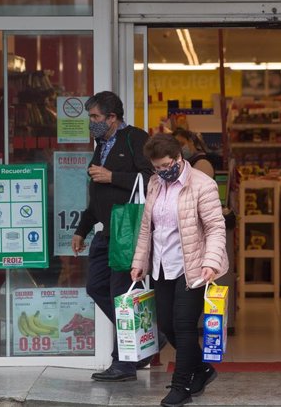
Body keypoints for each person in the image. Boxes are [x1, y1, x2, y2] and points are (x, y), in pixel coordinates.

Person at [130, 133, 228, 407]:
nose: (161, 171)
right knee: (167, 325)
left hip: (193, 266)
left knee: (184, 327)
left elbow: (215, 227)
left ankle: (181, 385)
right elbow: (147, 228)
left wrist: (211, 262)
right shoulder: (155, 183)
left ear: (178, 157)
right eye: (156, 167)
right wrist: (139, 262)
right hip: (161, 266)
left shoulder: (202, 185)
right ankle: (202, 370)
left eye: (165, 165)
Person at [71, 91, 157, 382]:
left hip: (128, 231)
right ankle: (144, 337)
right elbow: (98, 194)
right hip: (105, 232)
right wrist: (82, 229)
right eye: (90, 118)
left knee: (121, 297)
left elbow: (152, 179)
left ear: (112, 117)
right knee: (96, 287)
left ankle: (124, 362)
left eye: (95, 117)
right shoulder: (102, 144)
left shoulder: (135, 139)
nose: (91, 123)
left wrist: (113, 177)